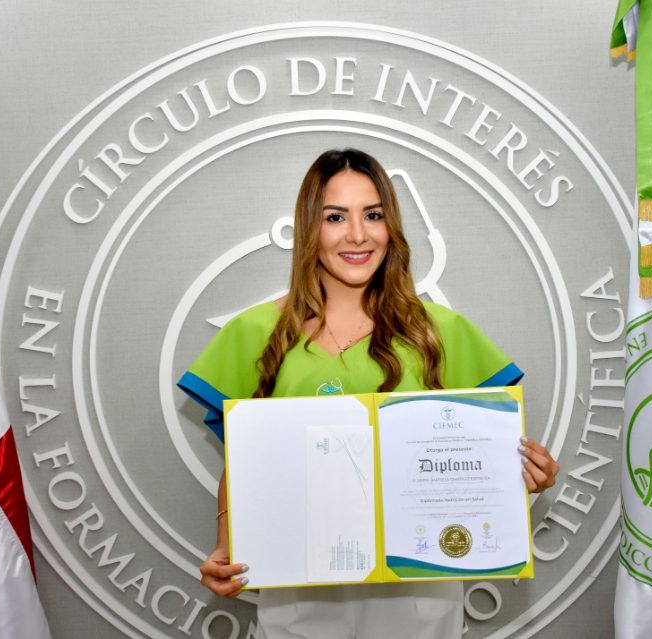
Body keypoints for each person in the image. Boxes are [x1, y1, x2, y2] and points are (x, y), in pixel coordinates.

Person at [177, 148, 559, 638]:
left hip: (419, 597)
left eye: (373, 215)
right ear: (308, 228)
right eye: (335, 217)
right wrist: (225, 546)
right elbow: (245, 462)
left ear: (391, 227)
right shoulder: (255, 333)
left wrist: (525, 475)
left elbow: (477, 458)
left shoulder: (440, 332)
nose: (358, 234)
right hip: (300, 597)